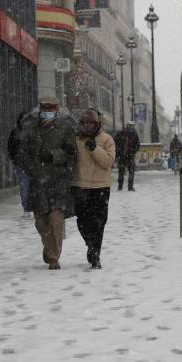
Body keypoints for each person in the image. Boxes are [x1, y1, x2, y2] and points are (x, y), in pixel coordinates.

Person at [15, 96, 77, 270]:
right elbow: (22, 153)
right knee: (41, 222)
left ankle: (53, 258)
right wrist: (33, 168)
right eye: (44, 108)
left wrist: (54, 156)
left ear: (56, 109)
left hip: (58, 181)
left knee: (56, 220)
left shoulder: (65, 127)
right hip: (38, 182)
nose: (47, 111)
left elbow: (72, 154)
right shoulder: (30, 127)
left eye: (51, 108)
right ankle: (49, 247)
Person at [72, 109, 116, 269]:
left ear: (97, 124)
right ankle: (90, 245)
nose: (88, 126)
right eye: (84, 123)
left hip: (100, 186)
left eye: (91, 123)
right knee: (82, 221)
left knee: (99, 222)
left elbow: (108, 162)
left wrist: (95, 149)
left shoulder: (106, 139)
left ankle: (95, 254)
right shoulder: (76, 139)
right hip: (80, 185)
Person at [8, 111, 31, 216]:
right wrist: (15, 159)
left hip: (32, 164)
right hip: (21, 164)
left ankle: (31, 207)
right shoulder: (15, 132)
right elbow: (11, 147)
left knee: (32, 187)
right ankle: (26, 207)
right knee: (24, 187)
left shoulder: (33, 131)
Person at [114, 121, 141, 191]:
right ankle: (128, 187)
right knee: (129, 171)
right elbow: (137, 145)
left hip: (125, 156)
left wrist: (119, 152)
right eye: (131, 126)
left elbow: (115, 143)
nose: (131, 127)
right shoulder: (132, 134)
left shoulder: (122, 133)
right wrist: (132, 151)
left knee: (123, 171)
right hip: (127, 156)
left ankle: (122, 186)